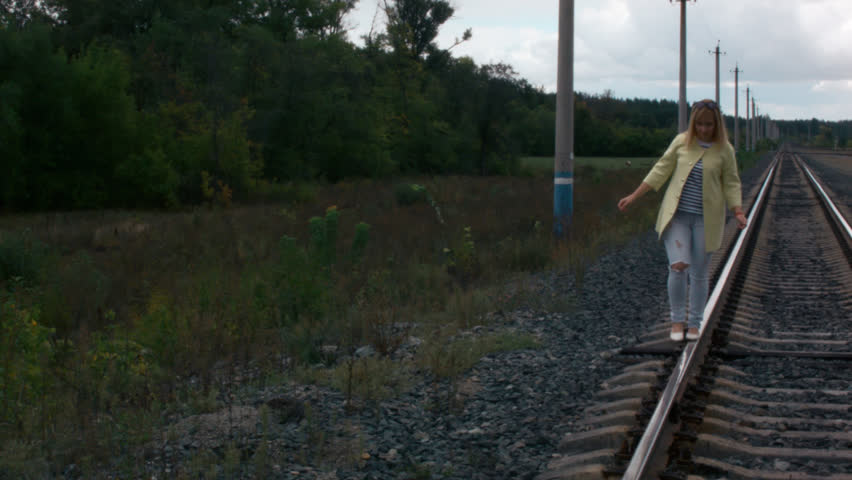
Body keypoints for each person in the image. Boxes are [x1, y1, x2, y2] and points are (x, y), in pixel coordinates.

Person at [618, 99, 748, 341]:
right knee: (678, 266)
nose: (704, 129)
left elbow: (731, 182)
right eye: (699, 124)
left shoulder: (724, 150)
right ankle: (677, 321)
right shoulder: (681, 142)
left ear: (717, 124)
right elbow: (661, 169)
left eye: (709, 125)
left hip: (706, 220)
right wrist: (634, 196)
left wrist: (737, 210)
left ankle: (694, 323)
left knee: (699, 273)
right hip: (677, 217)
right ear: (693, 123)